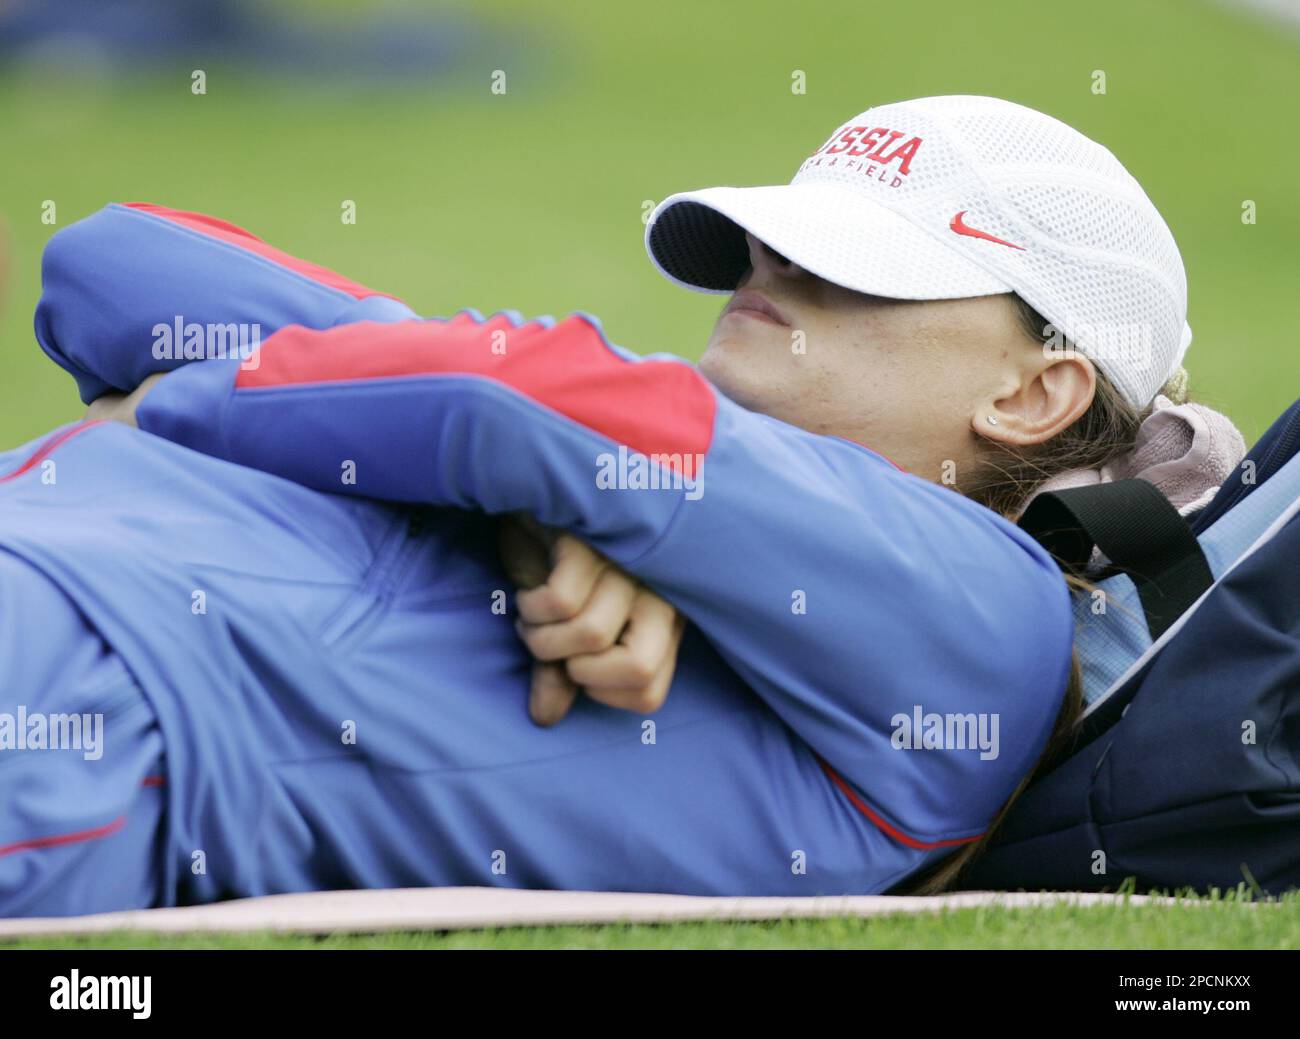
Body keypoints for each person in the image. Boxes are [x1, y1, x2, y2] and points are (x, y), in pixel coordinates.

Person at [3, 95, 1198, 916]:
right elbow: (115, 264)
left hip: (79, 700)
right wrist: (544, 497)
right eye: (767, 244)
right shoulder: (584, 466)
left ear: (1033, 392)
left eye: (859, 270)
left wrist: (169, 403)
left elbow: (490, 395)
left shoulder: (998, 619)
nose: (765, 274)